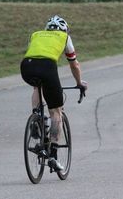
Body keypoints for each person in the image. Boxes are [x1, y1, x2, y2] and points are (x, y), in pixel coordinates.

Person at [20, 15, 87, 171]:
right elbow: (74, 64)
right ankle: (53, 156)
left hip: (27, 66)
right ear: (64, 29)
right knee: (56, 112)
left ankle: (37, 118)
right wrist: (79, 83)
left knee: (37, 87)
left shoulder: (36, 34)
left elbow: (34, 52)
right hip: (47, 67)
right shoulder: (64, 36)